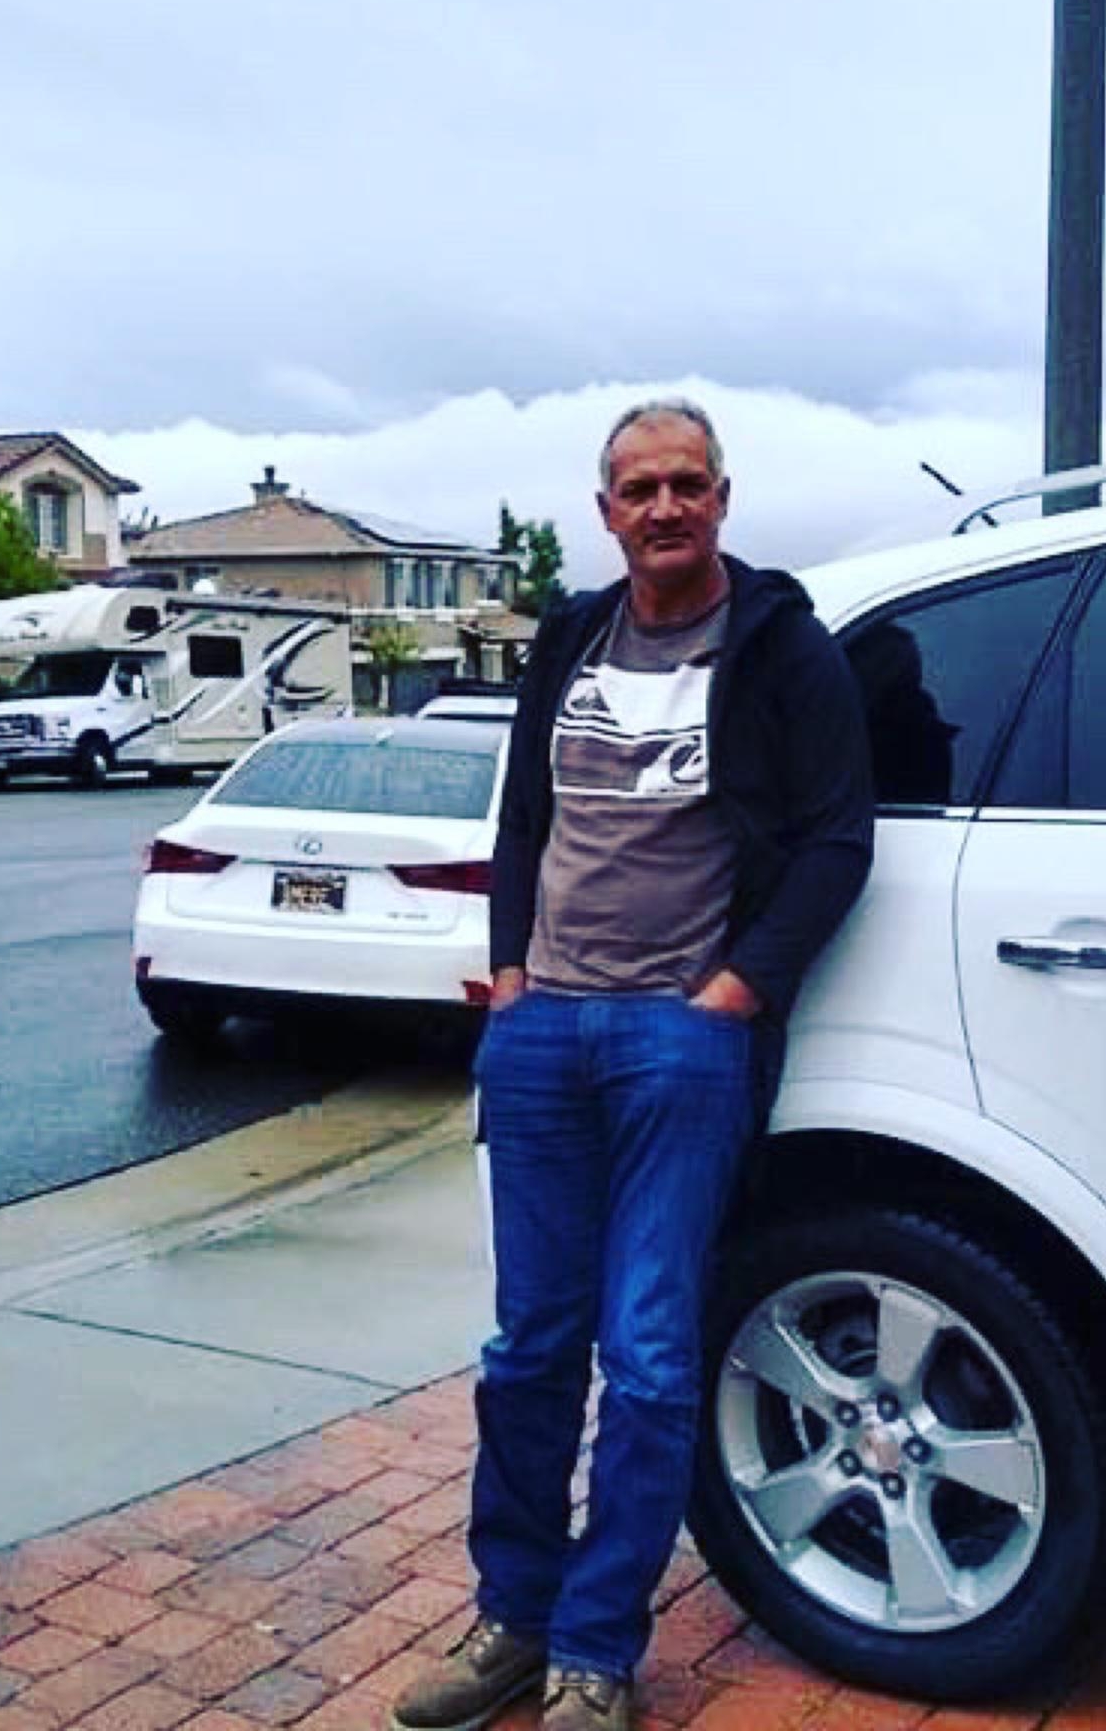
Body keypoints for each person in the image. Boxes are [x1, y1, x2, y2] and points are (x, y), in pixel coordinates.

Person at [391, 399, 875, 1731]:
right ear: (605, 511)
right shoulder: (570, 636)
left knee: (651, 1359)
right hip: (543, 1033)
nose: (664, 506)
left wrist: (731, 996)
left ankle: (595, 1651)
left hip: (680, 1038)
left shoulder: (781, 648)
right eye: (639, 488)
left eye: (686, 484)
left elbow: (838, 838)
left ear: (722, 498)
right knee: (528, 1351)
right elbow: (523, 819)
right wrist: (508, 977)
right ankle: (514, 1622)